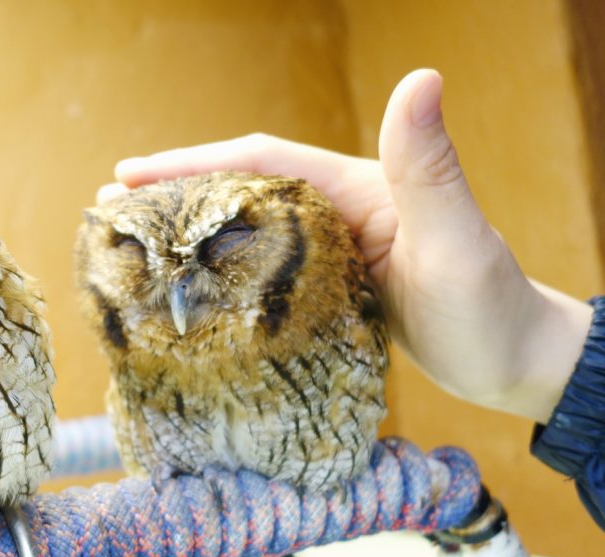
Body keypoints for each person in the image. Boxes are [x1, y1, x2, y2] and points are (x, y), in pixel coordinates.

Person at [98, 69, 605, 530]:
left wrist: (531, 349)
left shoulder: (333, 301)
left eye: (230, 247)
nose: (183, 298)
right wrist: (538, 353)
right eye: (136, 259)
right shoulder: (136, 346)